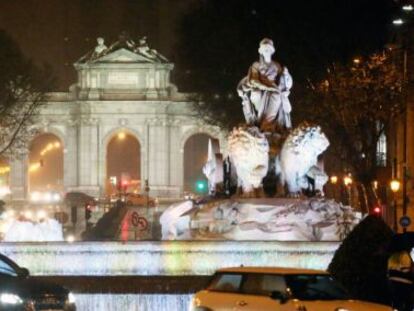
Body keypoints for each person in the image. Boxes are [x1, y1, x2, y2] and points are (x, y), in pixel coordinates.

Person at [237, 38, 293, 130]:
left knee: (276, 95)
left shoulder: (276, 65)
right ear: (261, 52)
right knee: (256, 94)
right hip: (259, 89)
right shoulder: (256, 65)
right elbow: (253, 80)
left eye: (268, 49)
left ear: (272, 51)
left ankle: (267, 125)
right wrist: (267, 87)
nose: (266, 51)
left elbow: (286, 83)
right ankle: (262, 124)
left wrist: (286, 74)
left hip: (274, 90)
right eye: (264, 49)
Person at [388, 246, 414, 311]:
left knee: (397, 299)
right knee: (408, 301)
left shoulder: (393, 256)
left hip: (393, 280)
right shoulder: (405, 255)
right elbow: (407, 268)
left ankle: (396, 308)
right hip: (405, 281)